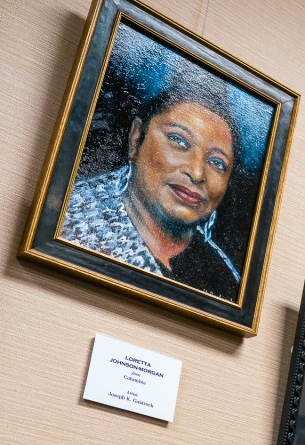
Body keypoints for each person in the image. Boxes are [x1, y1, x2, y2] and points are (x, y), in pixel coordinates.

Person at [61, 73, 244, 301]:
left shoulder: (224, 278)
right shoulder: (74, 220)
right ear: (136, 138)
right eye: (179, 140)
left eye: (217, 163)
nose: (197, 173)